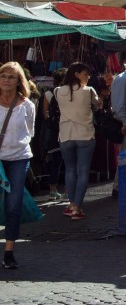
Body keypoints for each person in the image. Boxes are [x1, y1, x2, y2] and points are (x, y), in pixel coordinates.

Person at [0, 62, 37, 269]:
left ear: (18, 81)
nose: (6, 79)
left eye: (11, 76)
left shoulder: (27, 106)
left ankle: (9, 252)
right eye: (3, 75)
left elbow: (30, 133)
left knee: (13, 206)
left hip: (19, 159)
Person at [54, 63, 101, 221]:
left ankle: (72, 204)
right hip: (85, 135)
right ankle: (77, 207)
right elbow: (98, 104)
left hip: (66, 135)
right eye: (85, 74)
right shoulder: (88, 91)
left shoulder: (57, 91)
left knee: (70, 170)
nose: (88, 77)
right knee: (82, 171)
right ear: (77, 74)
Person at [39, 70, 65, 201]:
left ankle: (53, 189)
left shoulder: (48, 93)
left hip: (53, 131)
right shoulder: (68, 92)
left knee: (55, 160)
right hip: (65, 129)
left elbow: (45, 113)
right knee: (63, 160)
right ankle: (60, 189)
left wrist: (51, 123)